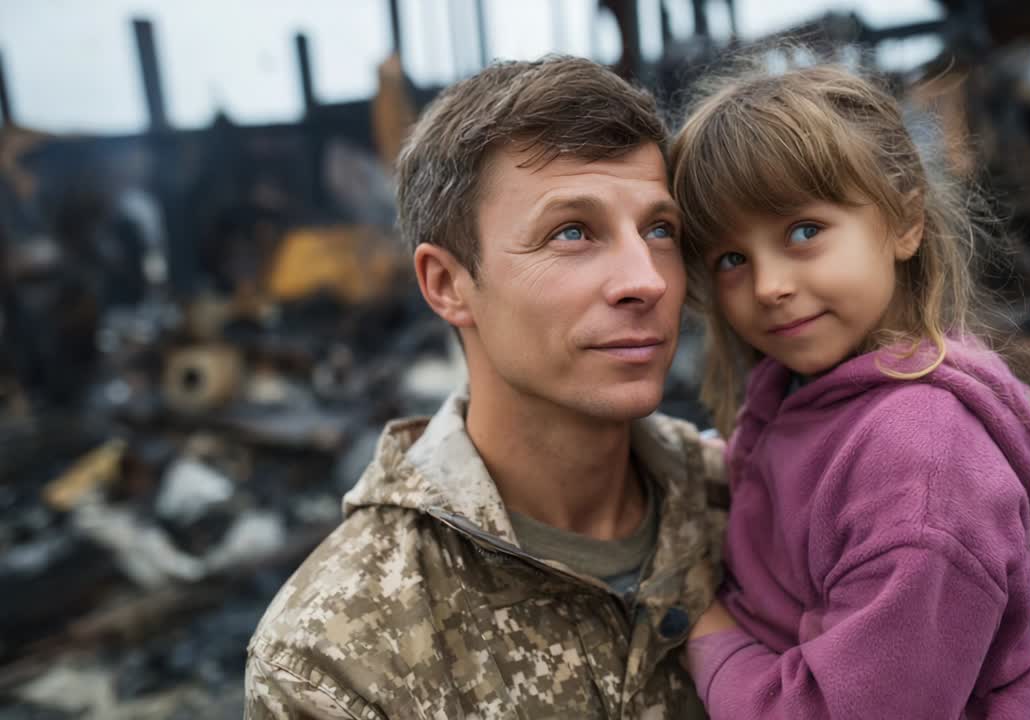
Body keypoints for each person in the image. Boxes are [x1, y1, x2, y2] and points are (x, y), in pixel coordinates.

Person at [245, 56, 727, 719]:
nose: (645, 279)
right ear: (447, 284)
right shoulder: (339, 653)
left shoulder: (753, 503)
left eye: (658, 229)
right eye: (572, 232)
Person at [669, 62, 1030, 718]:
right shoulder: (814, 388)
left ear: (904, 221)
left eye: (803, 232)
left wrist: (705, 633)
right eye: (732, 260)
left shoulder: (919, 471)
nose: (768, 286)